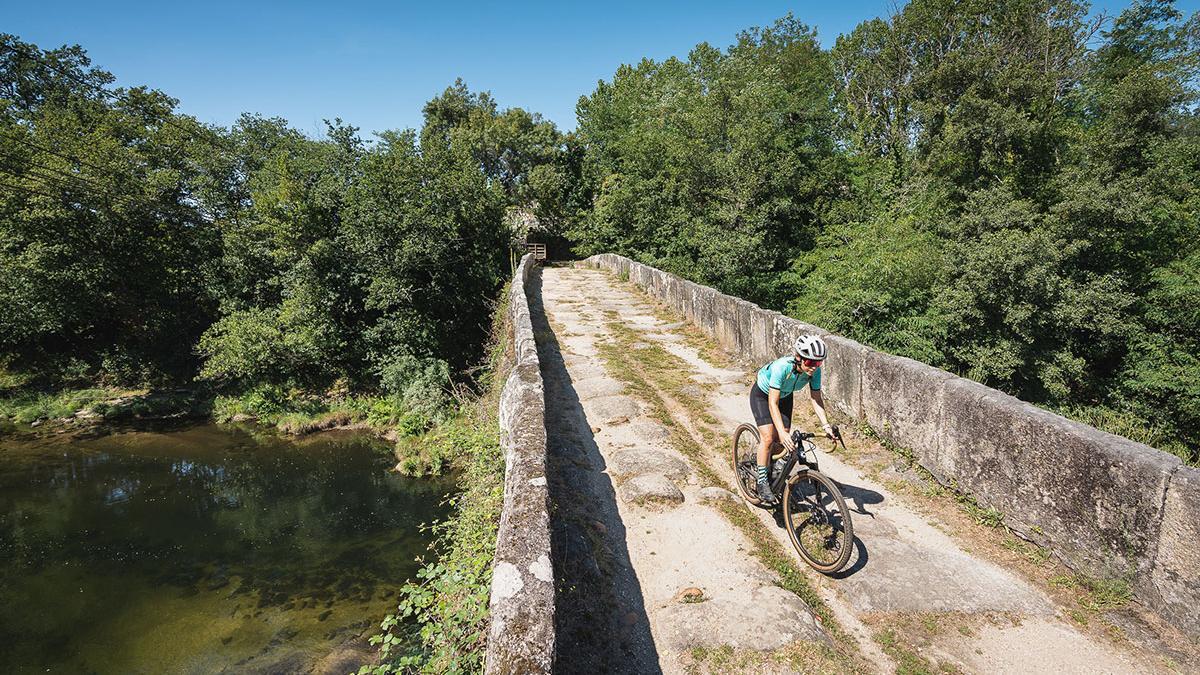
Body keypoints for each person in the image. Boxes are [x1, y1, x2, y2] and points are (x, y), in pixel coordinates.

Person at [749, 334, 835, 505]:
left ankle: (771, 469)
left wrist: (826, 426)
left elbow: (816, 399)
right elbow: (772, 403)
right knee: (768, 437)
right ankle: (762, 482)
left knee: (783, 442)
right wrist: (780, 431)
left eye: (818, 363)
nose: (814, 367)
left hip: (785, 396)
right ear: (799, 358)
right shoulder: (782, 368)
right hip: (763, 395)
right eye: (810, 362)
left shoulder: (814, 372)